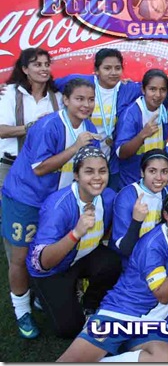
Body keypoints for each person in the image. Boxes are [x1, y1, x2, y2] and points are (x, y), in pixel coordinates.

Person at [3, 78, 99, 339]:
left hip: (58, 203)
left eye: (90, 99)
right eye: (79, 98)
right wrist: (76, 147)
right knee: (21, 258)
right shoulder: (48, 125)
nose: (86, 104)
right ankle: (22, 309)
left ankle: (40, 295)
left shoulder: (89, 128)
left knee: (51, 252)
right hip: (27, 199)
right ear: (65, 100)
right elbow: (40, 167)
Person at [57, 189, 168, 362]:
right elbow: (163, 296)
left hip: (155, 321)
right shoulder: (152, 246)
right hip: (121, 312)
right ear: (167, 215)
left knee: (164, 359)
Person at [27, 146, 122, 338]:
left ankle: (89, 303)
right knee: (69, 329)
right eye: (89, 171)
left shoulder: (108, 197)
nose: (97, 177)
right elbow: (42, 262)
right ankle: (41, 295)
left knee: (113, 262)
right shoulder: (58, 206)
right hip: (51, 270)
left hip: (81, 256)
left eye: (102, 171)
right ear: (76, 175)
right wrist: (75, 233)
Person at [0, 48, 62, 261]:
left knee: (44, 223)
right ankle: (17, 275)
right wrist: (32, 127)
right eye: (37, 64)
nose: (44, 69)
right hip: (11, 168)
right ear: (25, 69)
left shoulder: (58, 97)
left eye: (46, 64)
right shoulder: (9, 93)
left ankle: (39, 273)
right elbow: (1, 130)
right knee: (14, 229)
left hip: (46, 171)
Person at [54, 48, 141, 191]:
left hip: (109, 161)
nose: (113, 72)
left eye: (117, 68)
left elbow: (157, 85)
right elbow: (48, 83)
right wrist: (10, 86)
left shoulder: (128, 88)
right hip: (76, 155)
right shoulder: (80, 82)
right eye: (107, 68)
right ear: (96, 70)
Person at [112, 149, 168, 263]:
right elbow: (124, 249)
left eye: (164, 172)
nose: (159, 177)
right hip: (130, 262)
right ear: (142, 172)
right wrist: (136, 221)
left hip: (157, 256)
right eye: (152, 171)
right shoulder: (126, 196)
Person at [115, 69, 168, 189]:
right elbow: (121, 152)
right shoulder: (131, 114)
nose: (158, 95)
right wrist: (142, 135)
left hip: (155, 182)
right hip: (132, 182)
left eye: (163, 90)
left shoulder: (163, 109)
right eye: (152, 89)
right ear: (143, 90)